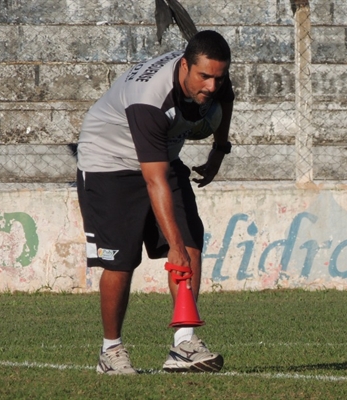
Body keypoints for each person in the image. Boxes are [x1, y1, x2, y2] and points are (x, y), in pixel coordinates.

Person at [76, 30, 234, 375]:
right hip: (109, 163)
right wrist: (171, 246)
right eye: (203, 77)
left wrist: (219, 150)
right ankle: (110, 351)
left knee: (190, 243)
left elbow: (227, 99)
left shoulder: (215, 80)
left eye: (217, 78)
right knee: (121, 261)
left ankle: (184, 345)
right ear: (184, 66)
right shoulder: (150, 100)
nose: (210, 86)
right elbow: (154, 180)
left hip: (159, 158)